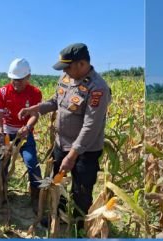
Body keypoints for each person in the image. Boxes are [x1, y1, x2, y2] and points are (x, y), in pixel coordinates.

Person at [20, 43, 111, 227]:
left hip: (84, 151)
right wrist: (35, 108)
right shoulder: (67, 77)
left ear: (82, 64)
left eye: (68, 67)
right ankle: (57, 217)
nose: (65, 71)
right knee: (58, 184)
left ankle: (78, 226)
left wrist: (72, 155)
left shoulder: (97, 88)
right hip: (61, 144)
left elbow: (90, 127)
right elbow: (55, 101)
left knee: (81, 191)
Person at [0, 58, 43, 210]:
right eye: (14, 80)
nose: (16, 83)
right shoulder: (2, 92)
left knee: (32, 163)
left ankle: (35, 198)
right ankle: (1, 193)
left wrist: (27, 127)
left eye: (20, 80)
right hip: (6, 133)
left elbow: (35, 115)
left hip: (24, 134)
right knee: (2, 164)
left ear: (28, 77)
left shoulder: (35, 93)